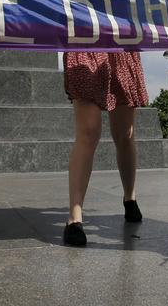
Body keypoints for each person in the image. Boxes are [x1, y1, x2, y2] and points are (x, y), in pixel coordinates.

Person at [62, 52, 149, 246]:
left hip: (119, 44)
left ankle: (130, 197)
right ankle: (74, 218)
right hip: (85, 39)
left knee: (124, 134)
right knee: (88, 131)